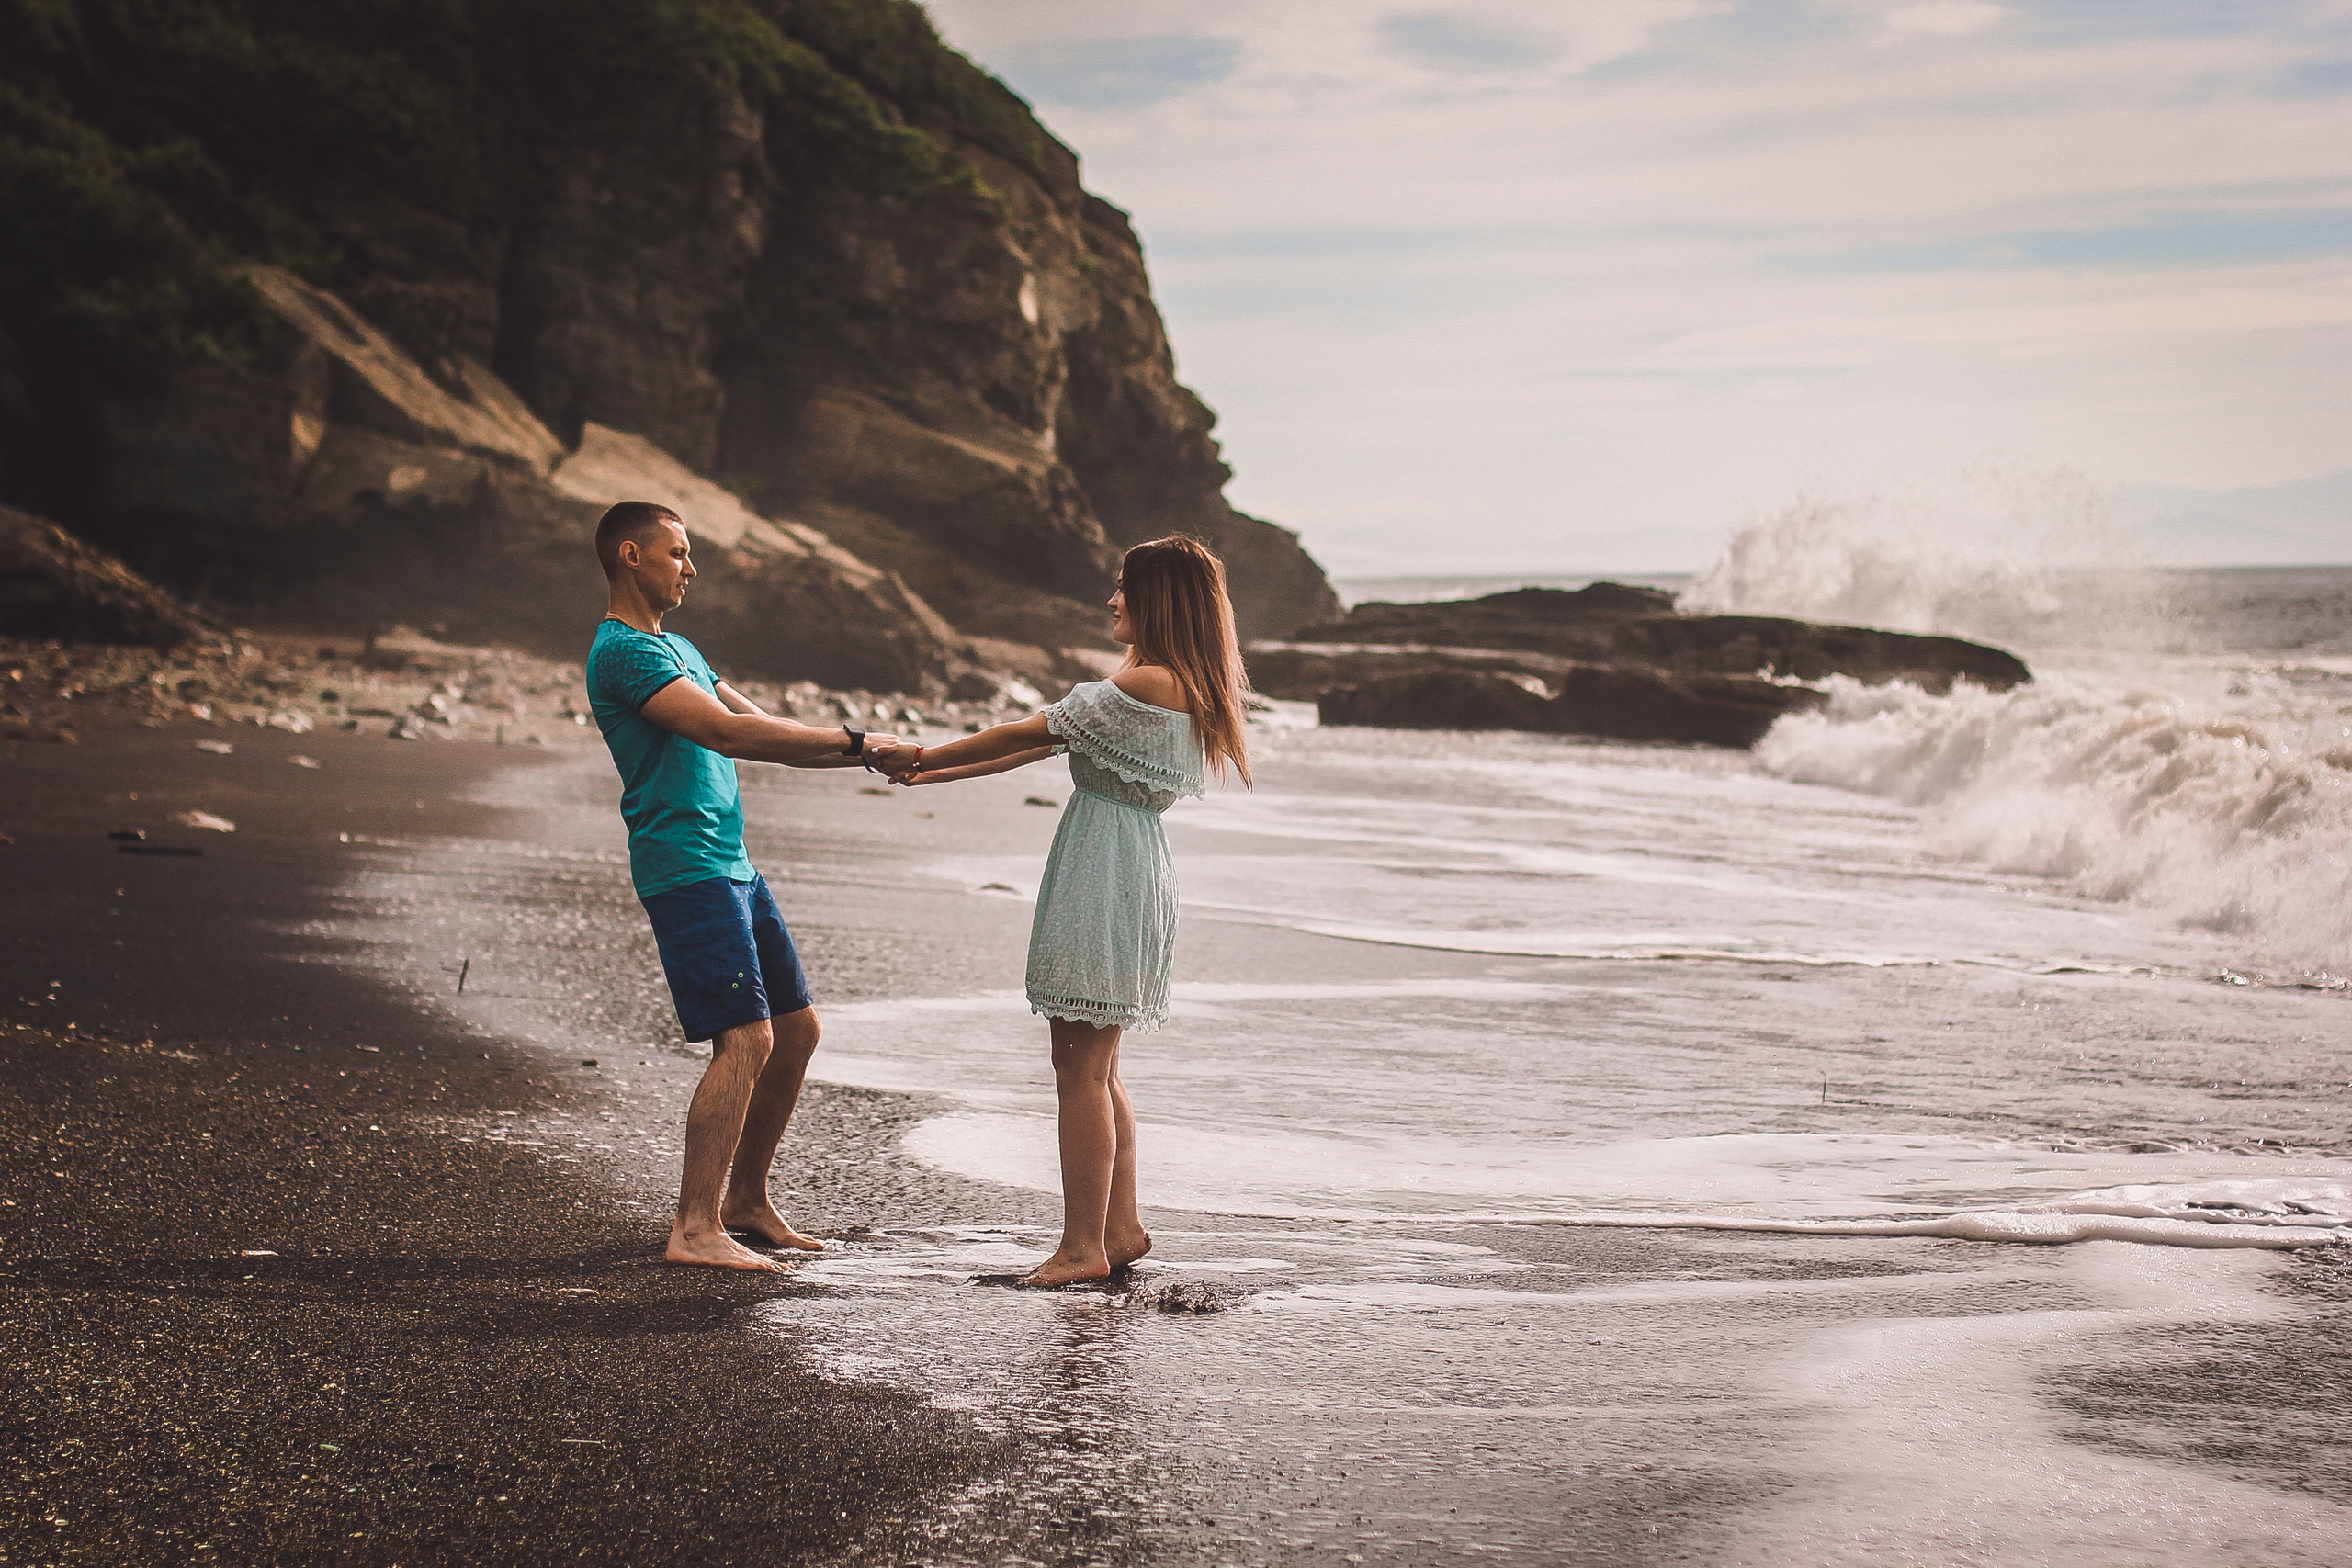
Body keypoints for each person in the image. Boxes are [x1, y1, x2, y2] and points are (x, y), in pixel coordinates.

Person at [895, 536, 1251, 1285]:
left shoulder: (1142, 685)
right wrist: (933, 773)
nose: (1112, 600)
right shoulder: (1179, 683)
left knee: (1080, 1068)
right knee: (1102, 1065)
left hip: (1105, 867)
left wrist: (924, 753)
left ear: (1159, 599)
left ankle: (1081, 1246)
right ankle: (1118, 1227)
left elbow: (1027, 732)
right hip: (1135, 864)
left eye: (1124, 588)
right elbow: (1037, 748)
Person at [585, 500, 908, 1273]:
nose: (690, 568)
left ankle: (745, 1201)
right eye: (678, 553)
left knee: (796, 1031)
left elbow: (764, 727)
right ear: (631, 556)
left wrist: (871, 752)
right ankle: (693, 1227)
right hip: (685, 867)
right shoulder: (623, 653)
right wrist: (861, 742)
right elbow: (725, 734)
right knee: (747, 1037)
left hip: (732, 863)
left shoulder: (683, 648)